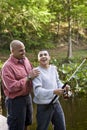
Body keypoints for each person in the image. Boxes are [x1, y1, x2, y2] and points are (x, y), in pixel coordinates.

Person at [1, 40, 40, 130]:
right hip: (15, 101)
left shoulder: (25, 60)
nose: (24, 52)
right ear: (12, 51)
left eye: (24, 49)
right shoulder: (7, 67)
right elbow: (11, 87)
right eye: (21, 50)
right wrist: (28, 78)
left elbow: (32, 73)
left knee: (27, 123)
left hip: (27, 98)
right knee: (16, 127)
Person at [32, 50, 70, 130]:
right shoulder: (36, 72)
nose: (43, 56)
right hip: (43, 106)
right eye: (41, 55)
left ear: (49, 57)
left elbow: (57, 82)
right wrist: (53, 91)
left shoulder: (53, 69)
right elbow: (37, 92)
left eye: (45, 54)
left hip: (56, 103)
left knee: (61, 128)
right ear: (38, 59)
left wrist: (64, 87)